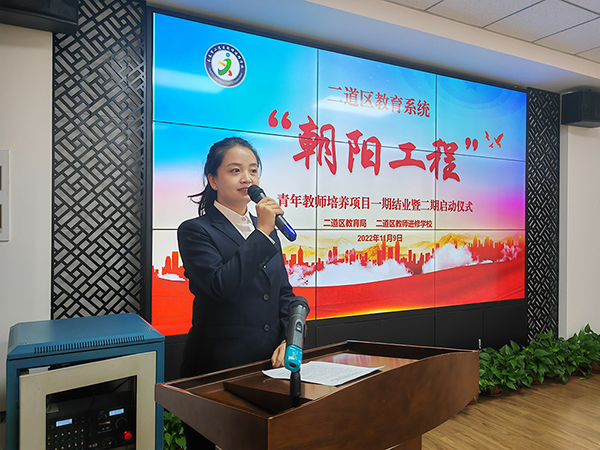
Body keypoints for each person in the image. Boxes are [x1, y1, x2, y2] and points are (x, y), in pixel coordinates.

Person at [177, 137, 296, 449]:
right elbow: (222, 287)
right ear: (213, 180)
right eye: (235, 170)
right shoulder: (196, 230)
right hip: (218, 371)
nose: (247, 178)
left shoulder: (266, 230)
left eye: (253, 170)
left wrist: (290, 339)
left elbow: (283, 294)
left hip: (268, 370)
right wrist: (263, 232)